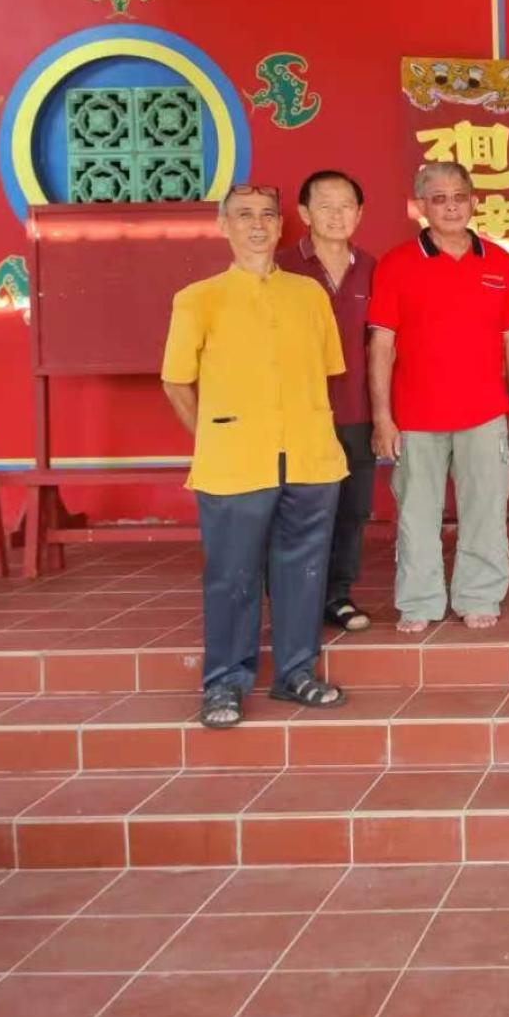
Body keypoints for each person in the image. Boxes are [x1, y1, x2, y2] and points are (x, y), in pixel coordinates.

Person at [160, 184, 349, 729]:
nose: (258, 224)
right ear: (224, 226)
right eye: (244, 215)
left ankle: (296, 672)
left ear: (282, 225)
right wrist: (211, 438)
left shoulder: (309, 294)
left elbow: (328, 371)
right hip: (235, 461)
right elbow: (176, 382)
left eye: (267, 214)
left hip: (310, 456)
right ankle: (225, 682)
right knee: (233, 575)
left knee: (304, 571)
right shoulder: (198, 298)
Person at [368, 161, 509, 634]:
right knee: (417, 514)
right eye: (439, 199)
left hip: (485, 411)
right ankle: (419, 600)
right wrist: (383, 417)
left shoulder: (497, 261)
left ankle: (479, 595)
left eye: (459, 196)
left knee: (486, 509)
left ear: (474, 201)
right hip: (416, 415)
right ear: (421, 206)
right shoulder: (396, 264)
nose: (451, 206)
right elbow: (382, 345)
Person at [277, 169, 378, 633]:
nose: (337, 216)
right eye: (325, 206)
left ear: (359, 213)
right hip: (297, 413)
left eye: (346, 206)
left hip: (356, 409)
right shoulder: (281, 268)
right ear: (304, 213)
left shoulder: (372, 268)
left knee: (352, 508)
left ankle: (338, 594)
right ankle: (295, 597)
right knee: (299, 508)